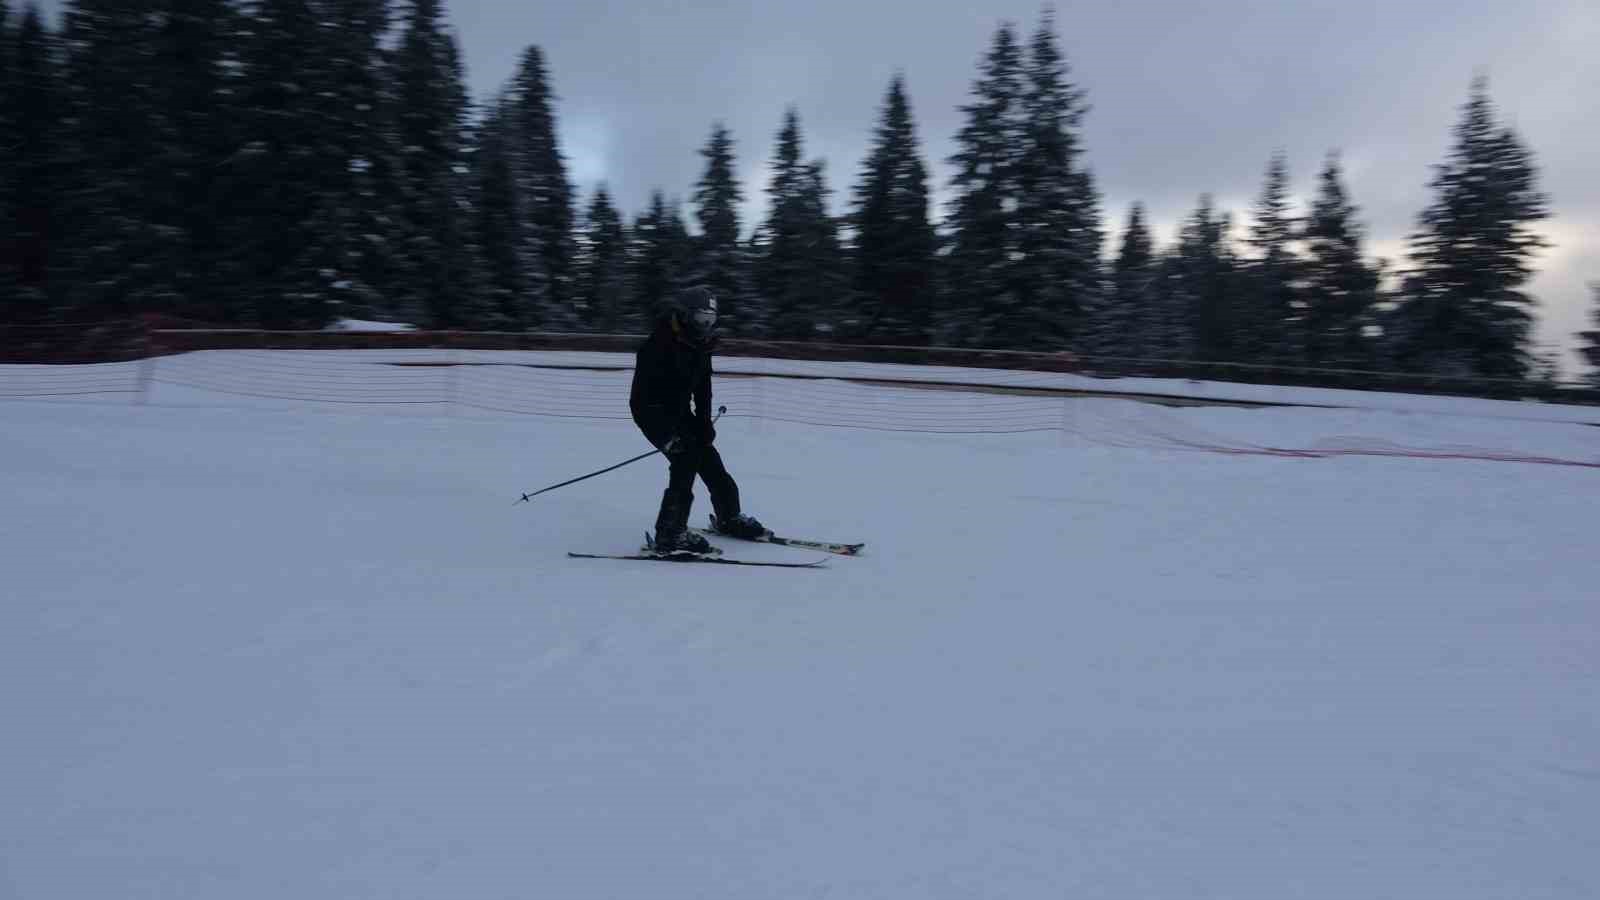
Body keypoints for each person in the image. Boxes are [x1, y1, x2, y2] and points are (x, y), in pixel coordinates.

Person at [629, 286, 766, 553]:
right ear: (684, 315)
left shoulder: (699, 346)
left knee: (709, 457)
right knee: (684, 460)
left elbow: (703, 389)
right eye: (701, 319)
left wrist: (703, 422)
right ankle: (670, 533)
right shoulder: (657, 346)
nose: (706, 326)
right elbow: (639, 401)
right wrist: (665, 435)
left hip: (681, 412)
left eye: (710, 320)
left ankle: (729, 517)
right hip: (653, 413)